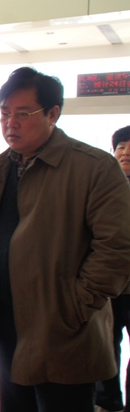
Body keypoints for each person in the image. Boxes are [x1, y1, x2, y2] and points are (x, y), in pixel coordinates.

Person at [0, 67, 130, 412]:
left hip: (63, 331)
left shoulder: (94, 167)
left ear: (53, 113)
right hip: (9, 323)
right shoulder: (4, 166)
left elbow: (117, 248)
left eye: (23, 113)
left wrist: (74, 308)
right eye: (4, 113)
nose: (10, 123)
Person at [95, 125, 130, 412]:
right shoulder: (101, 186)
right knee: (105, 344)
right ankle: (107, 400)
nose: (126, 153)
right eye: (121, 147)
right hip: (107, 285)